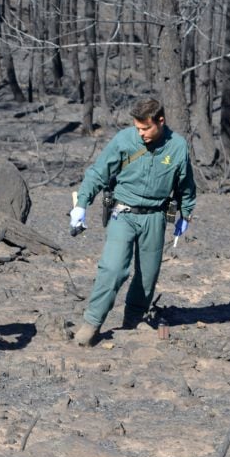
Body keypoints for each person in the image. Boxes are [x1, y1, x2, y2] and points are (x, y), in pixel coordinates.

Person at [69, 97, 196, 346]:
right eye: (137, 128)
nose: (141, 133)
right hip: (123, 212)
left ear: (160, 121)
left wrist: (186, 213)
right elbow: (98, 173)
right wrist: (81, 204)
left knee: (147, 275)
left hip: (156, 216)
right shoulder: (125, 140)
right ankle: (92, 323)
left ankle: (134, 320)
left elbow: (185, 184)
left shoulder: (178, 147)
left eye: (145, 128)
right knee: (113, 268)